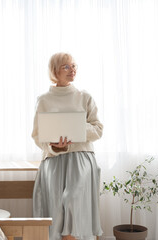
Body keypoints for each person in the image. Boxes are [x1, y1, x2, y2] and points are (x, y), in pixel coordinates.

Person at [32, 52, 103, 240]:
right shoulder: (44, 100)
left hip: (81, 157)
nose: (72, 70)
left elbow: (98, 129)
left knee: (72, 199)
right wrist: (55, 147)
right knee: (56, 207)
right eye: (66, 67)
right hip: (53, 159)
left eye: (74, 66)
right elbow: (38, 136)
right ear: (55, 71)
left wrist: (76, 126)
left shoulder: (84, 97)